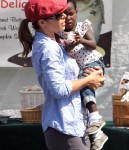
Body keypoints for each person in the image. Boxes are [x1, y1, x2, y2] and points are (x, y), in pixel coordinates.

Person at [18, 0, 105, 150]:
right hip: (63, 126)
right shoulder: (48, 48)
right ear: (42, 22)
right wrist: (89, 79)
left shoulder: (54, 44)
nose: (64, 16)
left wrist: (93, 79)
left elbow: (71, 81)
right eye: (58, 15)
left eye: (64, 12)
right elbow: (59, 90)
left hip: (74, 123)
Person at [56, 0, 108, 149]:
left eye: (71, 13)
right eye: (64, 15)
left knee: (84, 83)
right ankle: (97, 134)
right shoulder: (59, 34)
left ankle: (95, 117)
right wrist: (70, 46)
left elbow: (93, 44)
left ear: (76, 13)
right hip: (80, 69)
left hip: (93, 62)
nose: (68, 18)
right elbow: (63, 52)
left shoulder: (83, 26)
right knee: (83, 91)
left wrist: (81, 40)